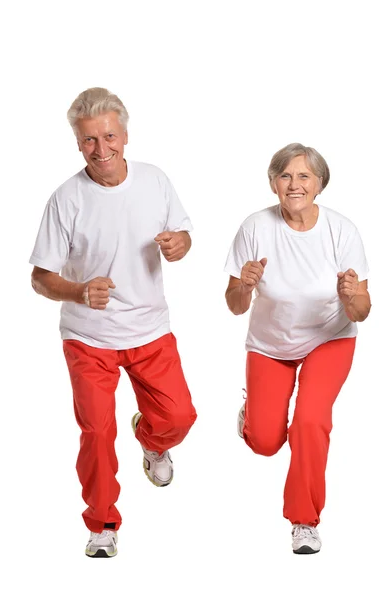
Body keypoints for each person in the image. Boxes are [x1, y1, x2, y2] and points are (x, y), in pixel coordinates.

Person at [29, 87, 197, 558]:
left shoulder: (155, 180)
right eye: (88, 141)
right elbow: (41, 278)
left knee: (180, 417)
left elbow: (183, 234)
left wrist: (181, 244)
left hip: (150, 330)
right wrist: (80, 290)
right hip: (88, 337)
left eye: (108, 136)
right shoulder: (65, 199)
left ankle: (152, 440)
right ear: (77, 143)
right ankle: (102, 524)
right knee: (98, 432)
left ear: (125, 134)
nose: (100, 150)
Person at [224, 143, 371, 554]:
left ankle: (304, 520)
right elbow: (234, 306)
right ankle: (252, 417)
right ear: (273, 184)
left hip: (329, 338)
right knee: (266, 442)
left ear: (319, 184)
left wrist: (348, 297)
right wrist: (246, 286)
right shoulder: (255, 227)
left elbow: (362, 311)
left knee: (309, 420)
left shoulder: (342, 231)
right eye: (285, 176)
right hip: (270, 345)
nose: (294, 184)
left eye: (304, 176)